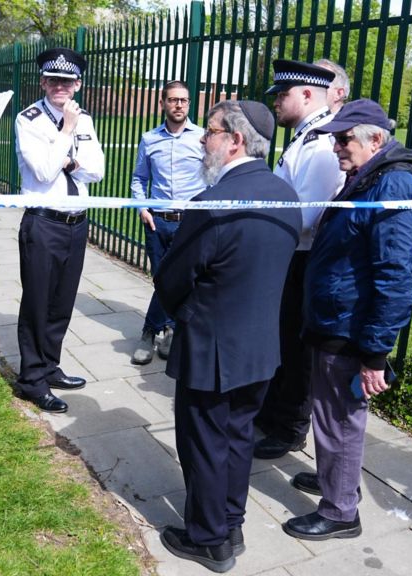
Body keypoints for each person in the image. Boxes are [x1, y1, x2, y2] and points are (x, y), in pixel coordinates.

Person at [155, 100, 301, 573]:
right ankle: (231, 522)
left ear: (236, 140)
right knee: (237, 440)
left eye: (211, 131)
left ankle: (208, 539)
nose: (203, 139)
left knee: (203, 444)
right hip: (260, 346)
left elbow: (173, 280)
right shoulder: (285, 193)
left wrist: (184, 314)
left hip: (211, 347)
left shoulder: (212, 204)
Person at [282, 99, 412, 541]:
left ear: (376, 141)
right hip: (333, 317)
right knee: (332, 413)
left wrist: (374, 352)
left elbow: (396, 274)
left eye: (344, 140)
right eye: (335, 139)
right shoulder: (368, 177)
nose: (336, 149)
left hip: (350, 328)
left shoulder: (395, 185)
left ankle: (340, 510)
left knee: (340, 417)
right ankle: (337, 480)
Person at [253, 60, 345, 460]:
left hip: (304, 259)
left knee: (296, 347)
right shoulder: (307, 137)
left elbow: (304, 215)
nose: (276, 102)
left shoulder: (322, 146)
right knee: (283, 340)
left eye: (283, 95)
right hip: (290, 256)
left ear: (307, 95)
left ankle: (290, 426)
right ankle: (275, 414)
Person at [14, 48, 105, 413]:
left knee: (62, 303)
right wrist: (66, 134)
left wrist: (69, 159)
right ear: (42, 81)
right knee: (38, 302)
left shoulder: (85, 118)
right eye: (53, 80)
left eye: (67, 81)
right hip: (44, 222)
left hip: (76, 223)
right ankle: (31, 381)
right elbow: (43, 171)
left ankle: (50, 366)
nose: (59, 87)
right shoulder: (29, 119)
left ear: (78, 84)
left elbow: (97, 170)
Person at [129, 80, 206, 365]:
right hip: (157, 221)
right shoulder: (150, 139)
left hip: (190, 223)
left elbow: (212, 178)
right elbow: (139, 178)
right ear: (162, 103)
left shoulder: (202, 137)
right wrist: (143, 208)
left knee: (179, 279)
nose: (179, 105)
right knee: (162, 278)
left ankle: (153, 332)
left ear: (189, 104)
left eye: (184, 100)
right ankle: (169, 327)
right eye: (173, 100)